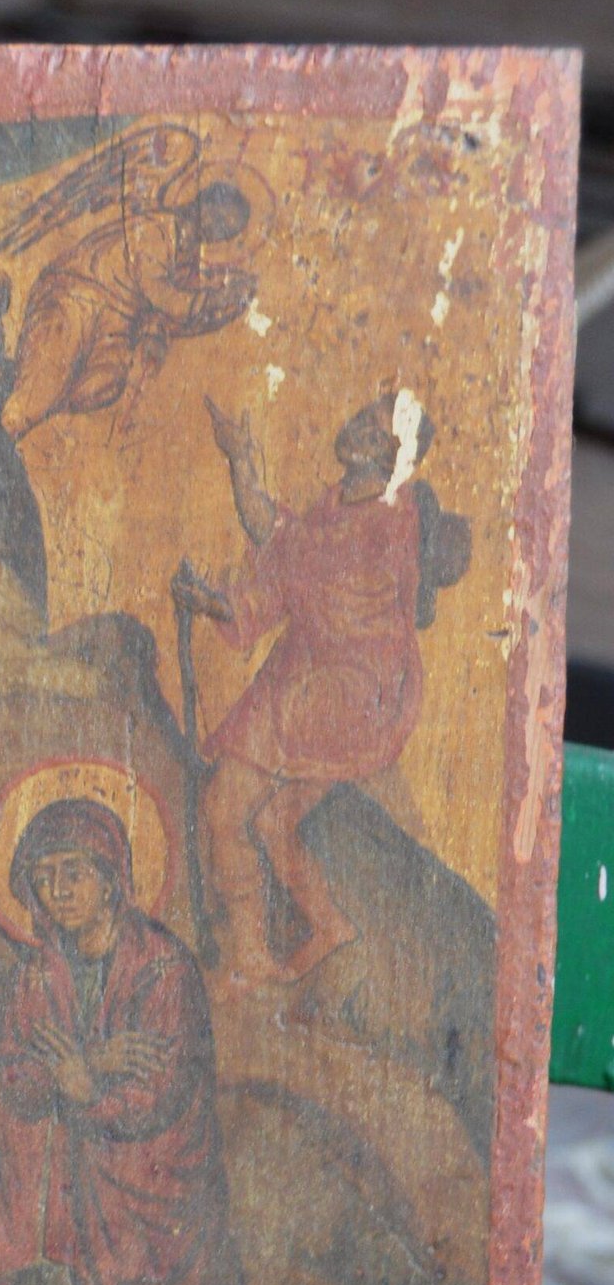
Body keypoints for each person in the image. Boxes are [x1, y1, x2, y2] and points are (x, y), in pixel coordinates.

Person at [0, 796, 348, 1285]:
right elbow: (12, 1075)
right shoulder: (35, 978)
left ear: (111, 877)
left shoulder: (163, 969)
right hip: (71, 1193)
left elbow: (161, 1092)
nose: (59, 891)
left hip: (155, 1185)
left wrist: (81, 1089)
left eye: (74, 872)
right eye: (45, 877)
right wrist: (89, 1069)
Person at [176, 392, 470, 982]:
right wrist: (240, 460)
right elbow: (288, 547)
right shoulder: (338, 504)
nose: (356, 429)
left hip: (341, 691)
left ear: (393, 458)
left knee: (225, 807)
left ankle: (251, 957)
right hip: (319, 674)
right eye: (361, 417)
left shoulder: (389, 522)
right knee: (270, 821)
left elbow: (296, 567)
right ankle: (330, 924)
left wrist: (221, 605)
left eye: (375, 431)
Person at [3, 182, 255, 438]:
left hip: (116, 324)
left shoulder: (185, 259)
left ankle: (24, 415)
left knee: (105, 383)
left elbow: (164, 315)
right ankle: (6, 428)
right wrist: (217, 298)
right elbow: (162, 296)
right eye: (221, 218)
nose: (220, 231)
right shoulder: (156, 228)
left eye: (229, 230)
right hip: (78, 297)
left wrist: (158, 333)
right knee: (45, 384)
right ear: (204, 203)